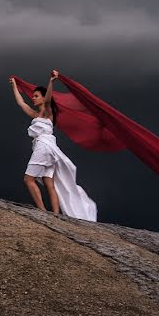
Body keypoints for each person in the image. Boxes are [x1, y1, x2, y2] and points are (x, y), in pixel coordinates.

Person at [9, 70, 98, 221]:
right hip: (48, 149)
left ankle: (42, 211)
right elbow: (21, 103)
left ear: (43, 98)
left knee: (28, 179)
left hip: (43, 147)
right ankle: (56, 215)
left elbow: (49, 99)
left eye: (36, 96)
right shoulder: (36, 114)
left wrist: (51, 82)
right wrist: (14, 86)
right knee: (48, 182)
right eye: (33, 95)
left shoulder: (46, 111)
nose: (33, 98)